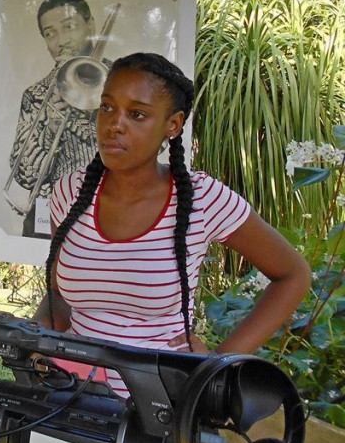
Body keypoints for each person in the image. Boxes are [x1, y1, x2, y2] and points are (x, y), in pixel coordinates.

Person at [34, 51, 311, 397]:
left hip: (162, 405)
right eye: (107, 107)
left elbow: (293, 275)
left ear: (173, 125)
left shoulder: (201, 199)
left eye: (137, 114)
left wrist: (217, 362)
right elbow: (59, 296)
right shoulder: (71, 193)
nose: (115, 124)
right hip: (69, 398)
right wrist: (37, 333)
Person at [8, 0, 108, 239]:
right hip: (52, 219)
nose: (61, 41)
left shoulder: (123, 82)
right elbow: (25, 177)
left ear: (91, 25)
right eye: (50, 33)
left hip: (109, 216)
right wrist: (51, 126)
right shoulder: (36, 94)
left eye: (69, 27)